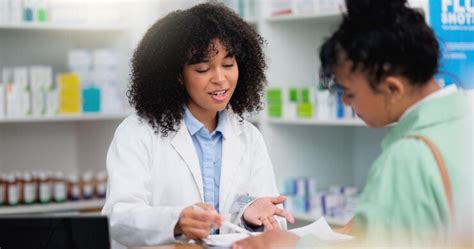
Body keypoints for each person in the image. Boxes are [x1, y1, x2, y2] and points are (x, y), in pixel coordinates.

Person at [233, 0, 473, 248]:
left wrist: (293, 245)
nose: (345, 101)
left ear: (392, 88)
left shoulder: (408, 158)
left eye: (348, 92)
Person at [101, 3, 294, 249]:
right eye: (203, 68)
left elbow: (262, 218)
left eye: (228, 64)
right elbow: (118, 217)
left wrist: (250, 212)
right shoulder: (138, 132)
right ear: (177, 74)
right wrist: (176, 222)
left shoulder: (248, 136)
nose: (220, 79)